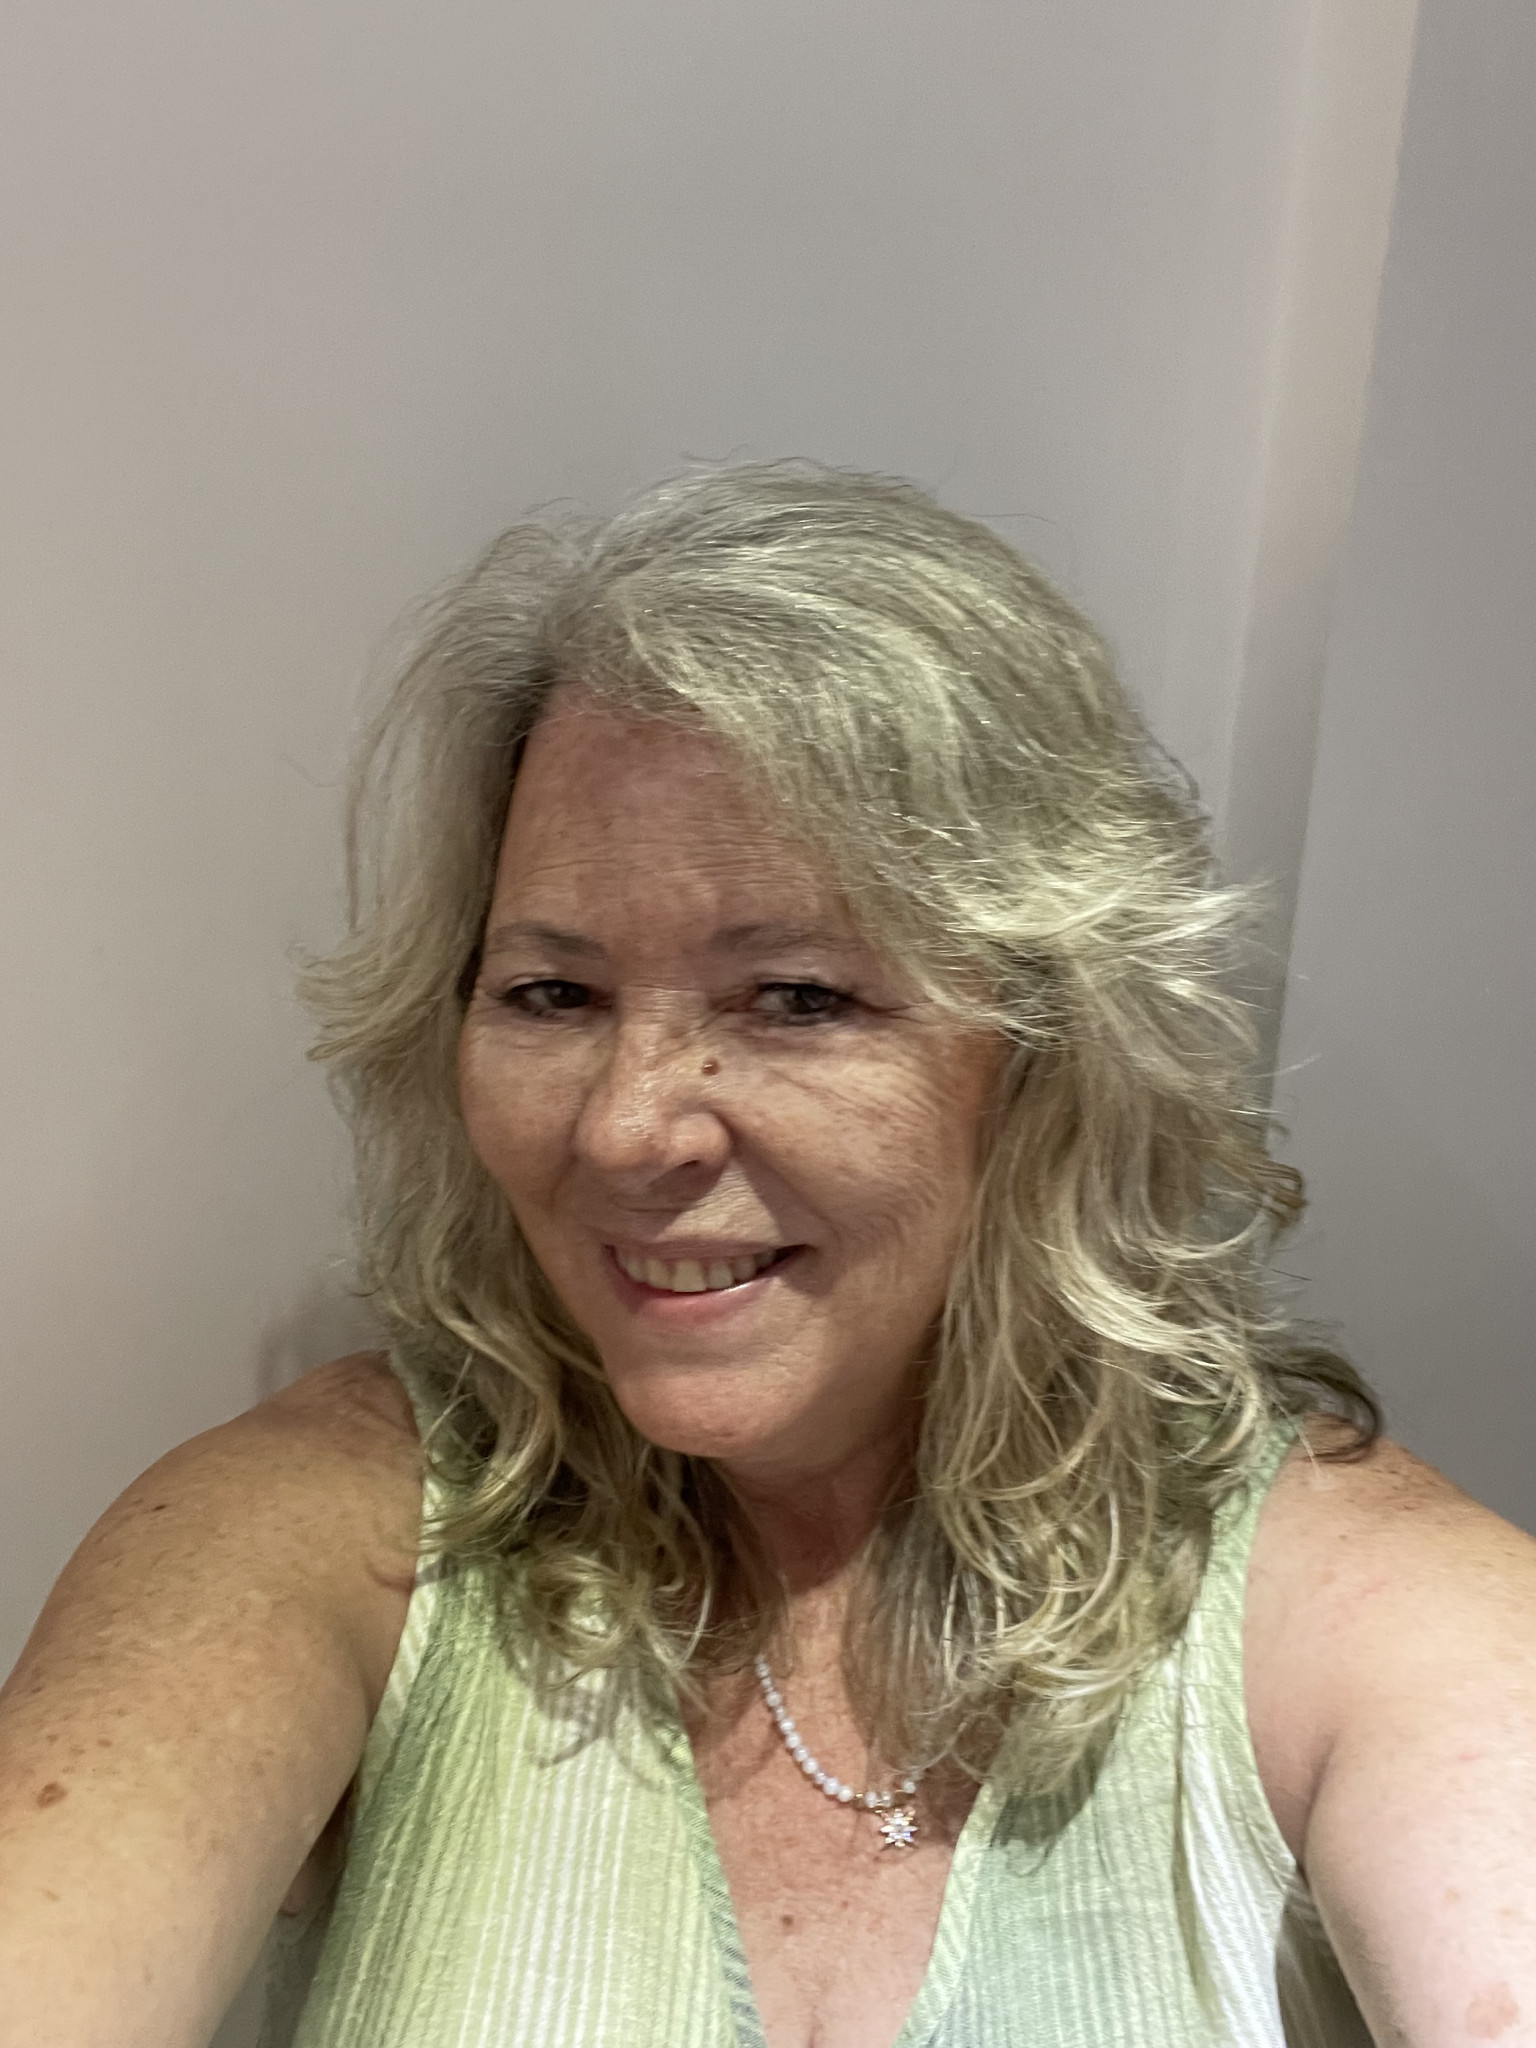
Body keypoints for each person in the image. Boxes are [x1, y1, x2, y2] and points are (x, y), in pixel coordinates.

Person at [1, 464, 1532, 2048]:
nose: (626, 1128)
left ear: (1048, 1057)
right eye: (550, 995)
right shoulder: (341, 1526)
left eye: (798, 998)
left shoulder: (1353, 1612)